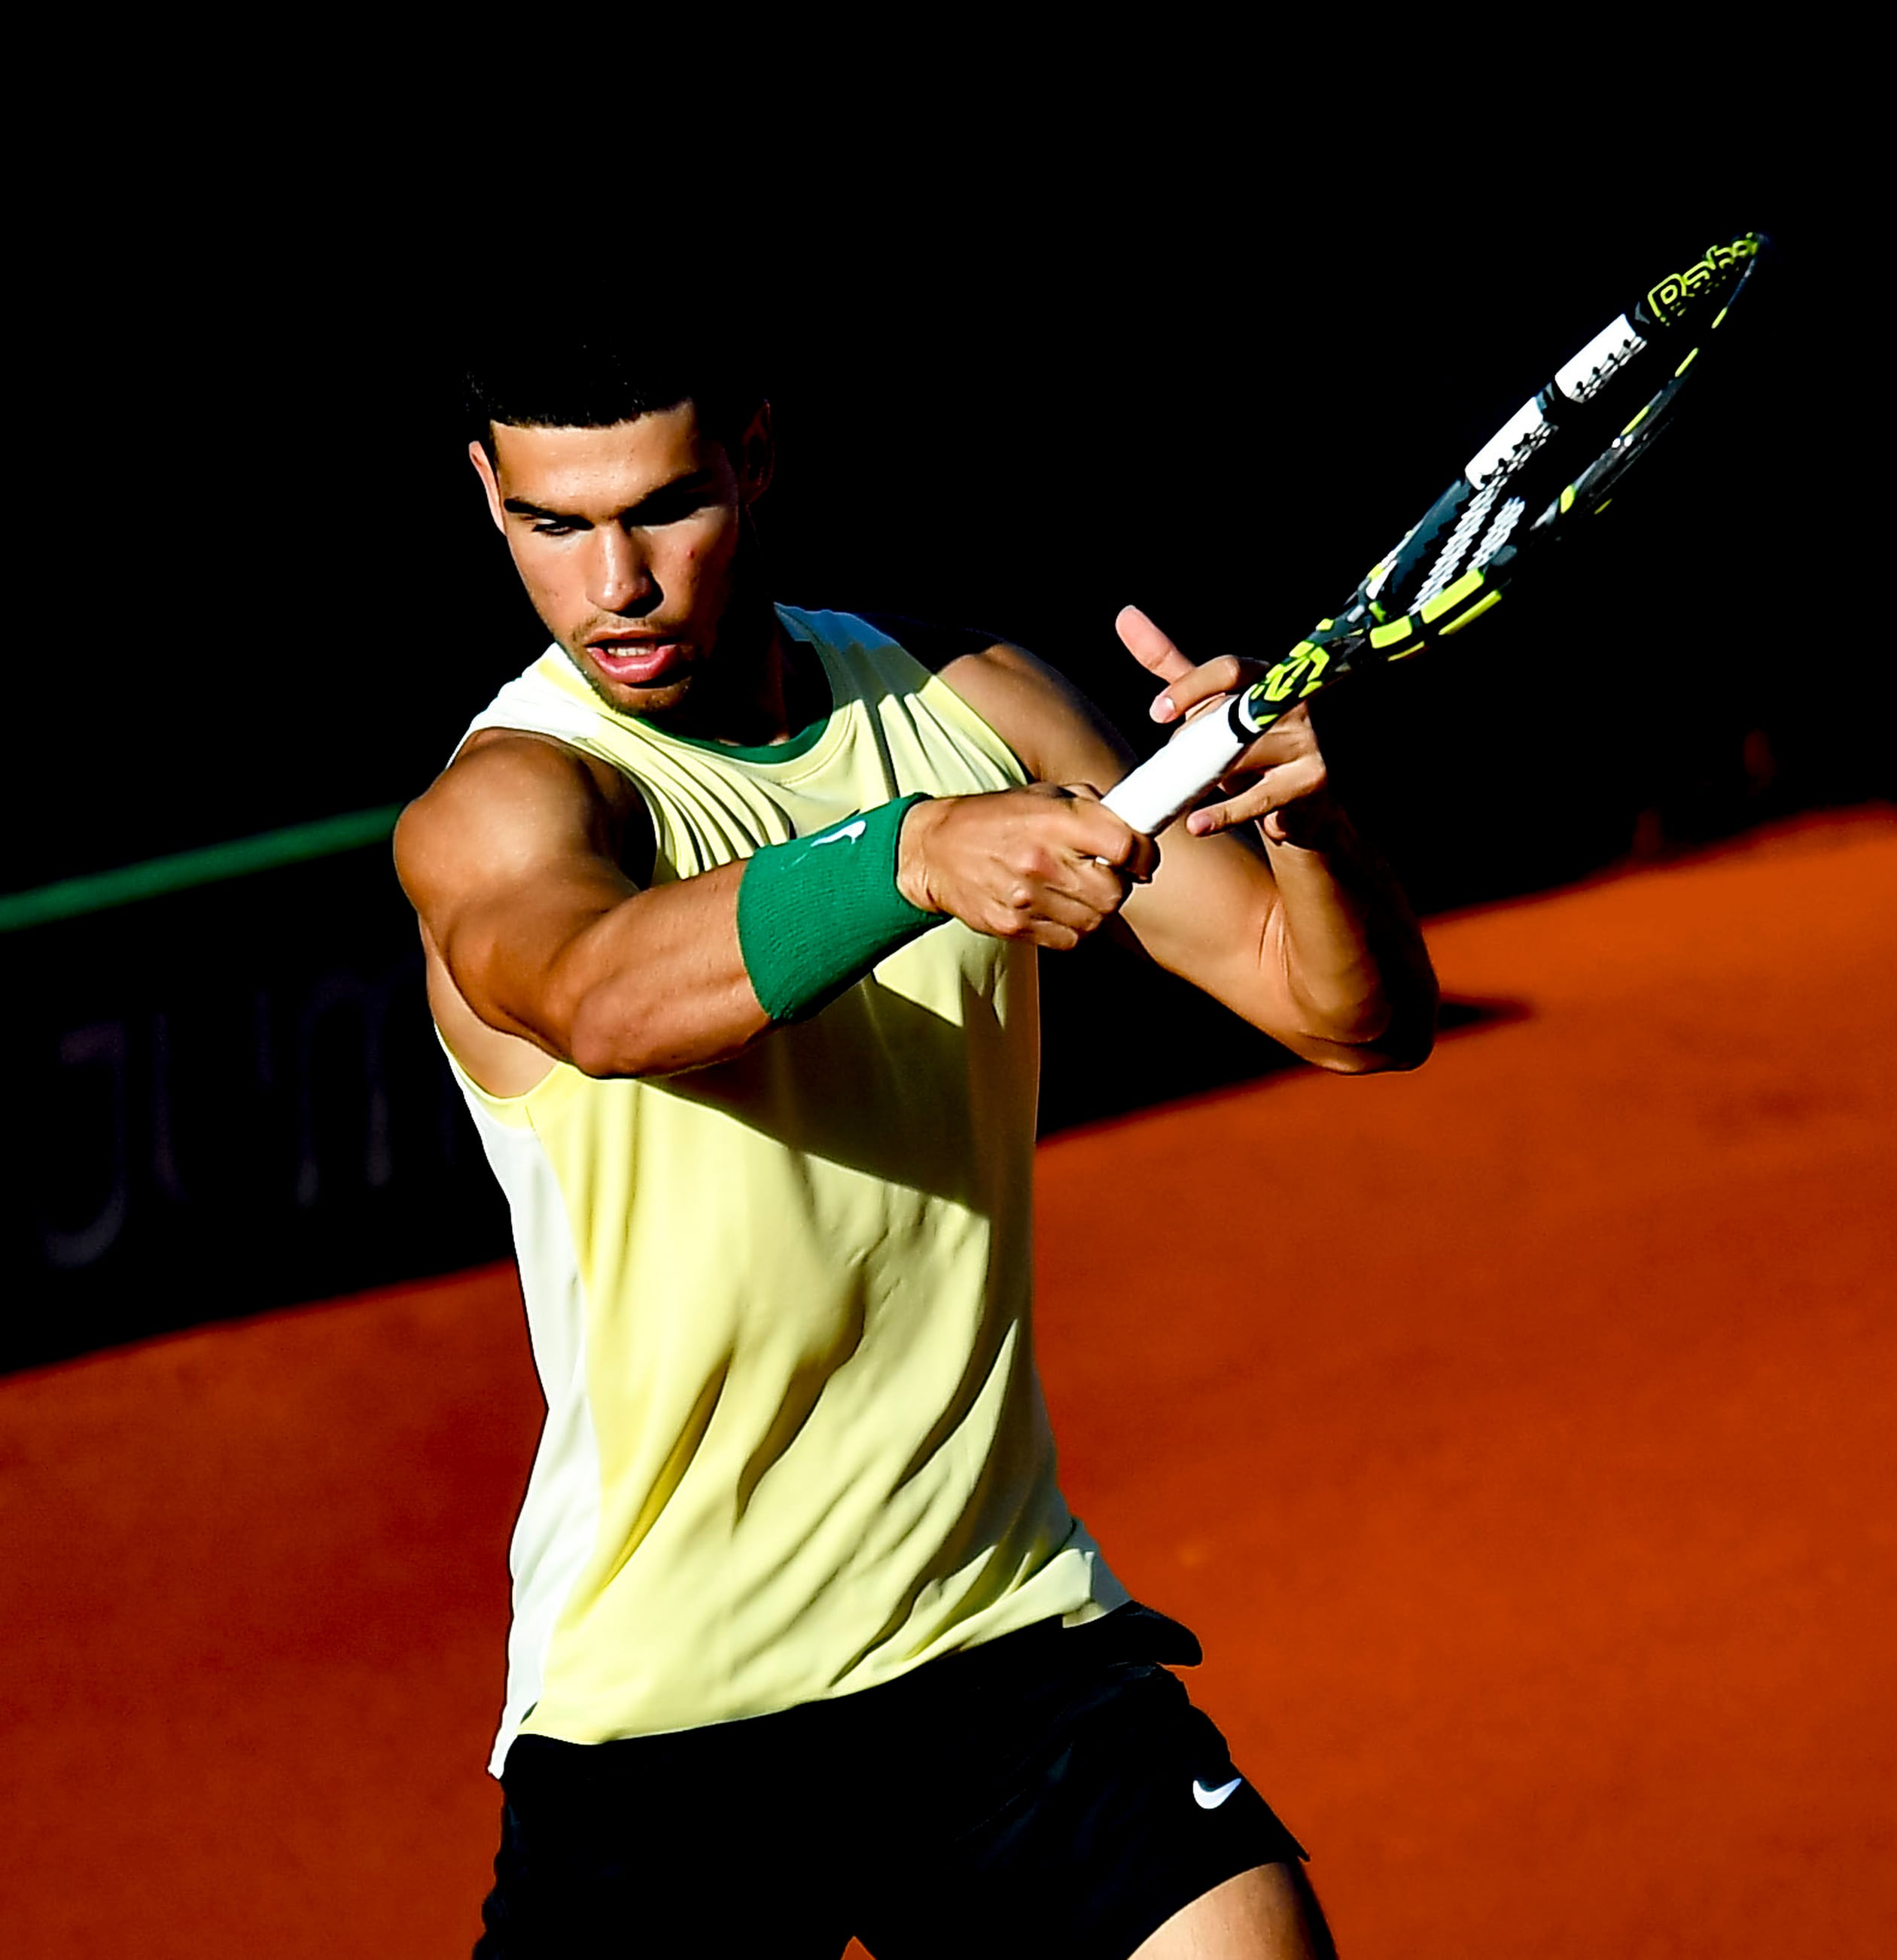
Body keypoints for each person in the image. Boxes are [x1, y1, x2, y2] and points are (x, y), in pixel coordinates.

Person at [396, 341, 1437, 1958]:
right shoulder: (513, 807)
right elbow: (602, 996)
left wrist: (1300, 823)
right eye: (552, 525)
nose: (619, 585)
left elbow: (1339, 1012)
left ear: (752, 454)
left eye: (664, 507)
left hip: (999, 1645)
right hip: (669, 1726)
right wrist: (916, 853)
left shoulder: (967, 704)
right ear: (488, 496)